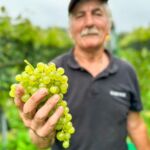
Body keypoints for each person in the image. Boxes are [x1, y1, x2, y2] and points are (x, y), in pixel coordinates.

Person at [14, 0, 150, 150]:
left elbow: (135, 125)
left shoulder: (126, 70)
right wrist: (40, 133)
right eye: (80, 16)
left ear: (109, 25)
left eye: (97, 13)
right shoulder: (53, 74)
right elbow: (41, 141)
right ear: (70, 30)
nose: (89, 22)